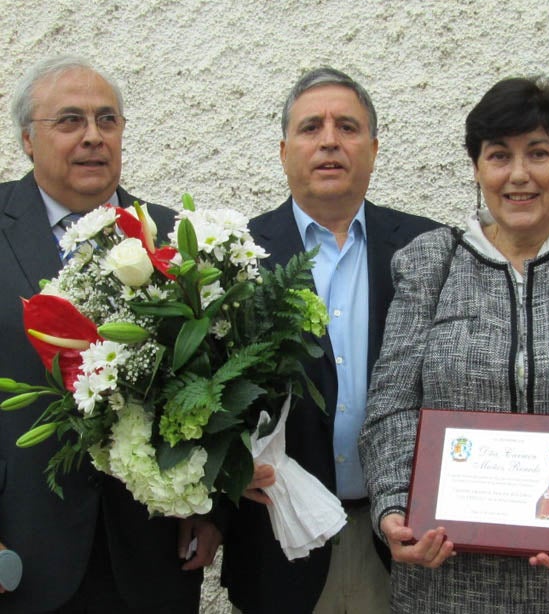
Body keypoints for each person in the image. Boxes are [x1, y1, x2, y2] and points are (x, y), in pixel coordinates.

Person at [359, 77, 549, 613]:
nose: (518, 175)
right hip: (446, 583)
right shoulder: (429, 263)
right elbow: (391, 406)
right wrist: (395, 507)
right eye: (498, 155)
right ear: (476, 167)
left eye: (539, 152)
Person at [212, 67, 443, 613]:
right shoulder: (233, 257)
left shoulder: (430, 246)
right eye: (311, 127)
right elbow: (203, 400)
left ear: (374, 149)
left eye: (348, 127)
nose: (330, 141)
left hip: (400, 545)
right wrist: (227, 470)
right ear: (284, 151)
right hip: (277, 543)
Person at [0, 55, 217, 613]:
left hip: (153, 555)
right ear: (27, 140)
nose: (93, 136)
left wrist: (210, 507)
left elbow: (214, 385)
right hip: (23, 549)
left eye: (107, 120)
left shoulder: (174, 237)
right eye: (70, 120)